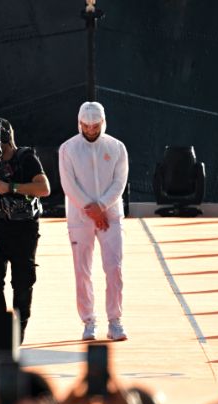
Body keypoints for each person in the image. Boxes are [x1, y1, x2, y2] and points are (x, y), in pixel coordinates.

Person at [0, 120, 50, 344]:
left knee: (22, 283)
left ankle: (17, 330)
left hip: (24, 230)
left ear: (5, 141)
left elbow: (44, 188)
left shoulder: (26, 158)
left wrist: (11, 188)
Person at [58, 101, 129, 341]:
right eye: (86, 126)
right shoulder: (67, 149)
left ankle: (115, 320)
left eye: (95, 126)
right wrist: (91, 210)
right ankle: (88, 321)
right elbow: (69, 185)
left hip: (111, 216)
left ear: (103, 123)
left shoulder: (117, 147)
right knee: (82, 271)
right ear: (79, 123)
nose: (90, 130)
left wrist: (102, 207)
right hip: (80, 218)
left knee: (114, 268)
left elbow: (119, 183)